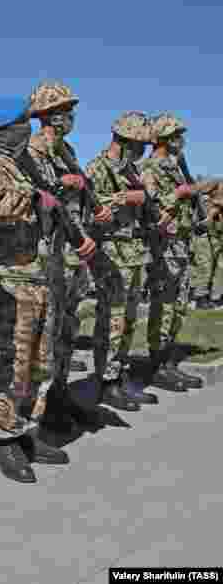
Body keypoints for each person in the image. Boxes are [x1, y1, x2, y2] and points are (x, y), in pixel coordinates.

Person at [0, 96, 96, 484]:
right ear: (11, 128)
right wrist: (35, 198)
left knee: (41, 361)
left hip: (40, 276)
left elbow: (55, 205)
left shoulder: (23, 164)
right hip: (9, 283)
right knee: (11, 365)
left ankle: (28, 432)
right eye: (23, 124)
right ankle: (4, 439)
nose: (29, 131)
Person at [26, 80, 108, 432]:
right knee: (43, 335)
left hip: (74, 256)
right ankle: (36, 413)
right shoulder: (31, 151)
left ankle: (59, 395)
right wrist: (66, 185)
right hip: (48, 256)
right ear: (49, 116)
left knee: (67, 330)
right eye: (65, 111)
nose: (71, 117)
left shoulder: (67, 151)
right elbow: (33, 198)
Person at [84, 111, 158, 409]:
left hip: (134, 252)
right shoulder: (97, 167)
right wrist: (126, 198)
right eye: (138, 144)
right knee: (110, 321)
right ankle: (105, 381)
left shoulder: (131, 170)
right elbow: (90, 209)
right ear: (122, 140)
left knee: (128, 320)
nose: (142, 151)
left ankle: (119, 374)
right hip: (112, 254)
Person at [138, 113, 204, 390]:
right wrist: (178, 195)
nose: (182, 141)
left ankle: (168, 362)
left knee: (177, 305)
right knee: (163, 305)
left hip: (181, 243)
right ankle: (157, 364)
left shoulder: (176, 166)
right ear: (166, 138)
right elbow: (149, 208)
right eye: (178, 135)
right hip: (164, 246)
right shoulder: (150, 167)